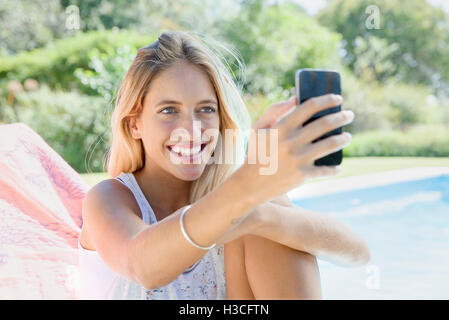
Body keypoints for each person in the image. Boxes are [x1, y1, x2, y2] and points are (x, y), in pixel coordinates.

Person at [78, 30, 370, 300]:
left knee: (268, 225)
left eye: (206, 109)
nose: (191, 129)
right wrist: (250, 185)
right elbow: (143, 267)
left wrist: (258, 213)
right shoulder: (108, 199)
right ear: (134, 125)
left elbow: (358, 254)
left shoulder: (243, 200)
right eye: (169, 110)